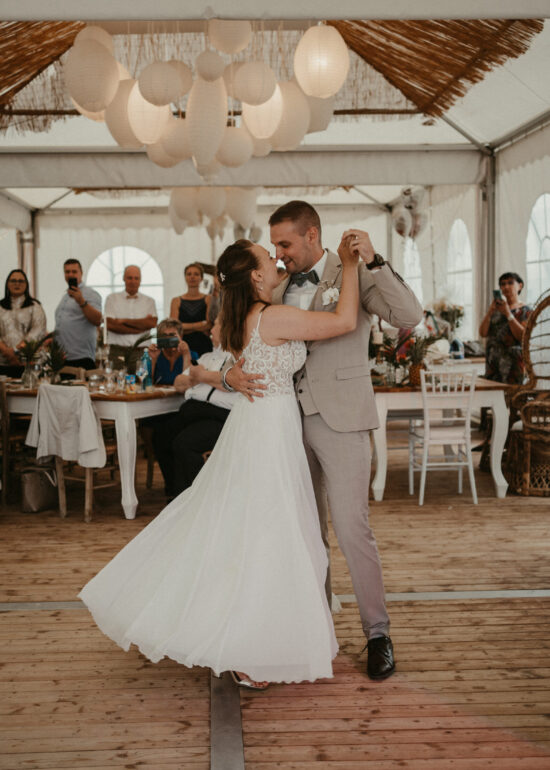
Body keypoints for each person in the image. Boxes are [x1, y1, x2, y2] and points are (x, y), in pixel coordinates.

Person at [79, 233, 360, 690]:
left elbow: (199, 372)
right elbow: (345, 320)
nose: (277, 259)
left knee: (252, 526)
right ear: (254, 275)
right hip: (268, 429)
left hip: (260, 425)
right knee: (268, 530)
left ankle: (255, 637)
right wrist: (348, 264)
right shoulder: (272, 317)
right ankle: (249, 647)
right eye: (268, 257)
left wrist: (225, 374)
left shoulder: (240, 317)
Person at [225, 200, 423, 681]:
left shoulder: (351, 269)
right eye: (274, 247)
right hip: (285, 424)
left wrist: (374, 261)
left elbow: (409, 314)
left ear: (312, 235)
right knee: (305, 533)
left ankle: (378, 633)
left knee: (353, 529)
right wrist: (231, 375)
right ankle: (314, 628)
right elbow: (240, 341)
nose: (279, 254)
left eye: (286, 244)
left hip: (341, 419)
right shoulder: (273, 284)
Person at [152, 317, 238, 498]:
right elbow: (179, 382)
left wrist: (201, 375)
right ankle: (174, 491)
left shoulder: (236, 358)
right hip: (193, 410)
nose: (211, 329)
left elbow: (226, 383)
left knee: (184, 443)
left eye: (215, 325)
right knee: (160, 436)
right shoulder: (207, 357)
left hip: (219, 415)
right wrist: (199, 376)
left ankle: (197, 498)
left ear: (227, 330)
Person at [479, 271, 532, 384]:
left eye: (510, 283)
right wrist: (490, 312)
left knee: (513, 398)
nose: (506, 286)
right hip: (493, 363)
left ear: (520, 286)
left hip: (513, 365)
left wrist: (508, 314)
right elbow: (483, 333)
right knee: (492, 399)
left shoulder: (526, 311)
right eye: (502, 284)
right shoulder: (497, 310)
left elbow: (523, 337)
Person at [104, 265, 157, 372]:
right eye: (129, 278)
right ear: (123, 278)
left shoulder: (149, 301)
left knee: (142, 383)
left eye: (136, 278)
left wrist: (123, 321)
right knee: (115, 383)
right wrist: (141, 326)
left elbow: (152, 323)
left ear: (140, 280)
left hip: (141, 351)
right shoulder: (112, 299)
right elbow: (110, 325)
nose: (133, 281)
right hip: (117, 350)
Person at [54, 259, 102, 370]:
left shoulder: (91, 294)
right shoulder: (65, 296)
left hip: (81, 357)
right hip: (63, 357)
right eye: (67, 272)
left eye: (74, 271)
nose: (70, 275)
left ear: (81, 273)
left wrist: (81, 301)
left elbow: (97, 320)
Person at [0, 269, 47, 377]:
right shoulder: (0, 306)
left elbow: (37, 332)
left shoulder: (35, 307)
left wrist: (15, 350)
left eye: (21, 281)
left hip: (28, 362)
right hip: (3, 362)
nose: (17, 284)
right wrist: (8, 353)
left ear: (26, 285)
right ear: (7, 284)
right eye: (13, 281)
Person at [170, 262, 213, 358]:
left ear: (201, 278)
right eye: (189, 274)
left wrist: (184, 327)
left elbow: (209, 325)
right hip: (182, 345)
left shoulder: (208, 299)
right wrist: (200, 325)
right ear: (185, 277)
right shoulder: (176, 301)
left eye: (196, 274)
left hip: (204, 345)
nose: (192, 277)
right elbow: (174, 327)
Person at [148, 318, 188, 386]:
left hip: (182, 395)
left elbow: (189, 384)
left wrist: (186, 354)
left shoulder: (191, 355)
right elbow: (147, 385)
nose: (168, 338)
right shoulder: (157, 355)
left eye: (172, 335)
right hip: (160, 395)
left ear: (180, 336)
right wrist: (153, 359)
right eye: (164, 335)